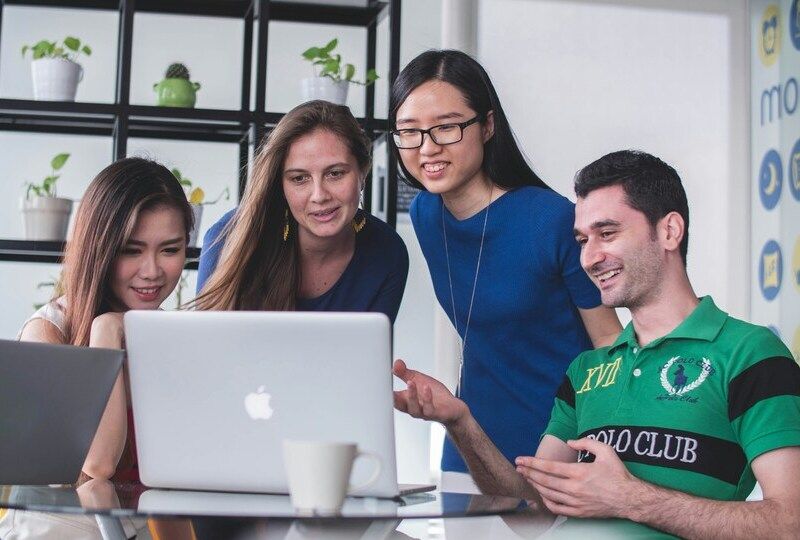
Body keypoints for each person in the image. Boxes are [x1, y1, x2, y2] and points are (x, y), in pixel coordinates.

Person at [393, 150, 800, 538]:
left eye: (607, 233)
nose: (589, 257)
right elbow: (531, 515)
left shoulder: (750, 353)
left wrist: (630, 499)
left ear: (669, 230)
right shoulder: (585, 370)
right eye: (583, 240)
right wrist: (460, 421)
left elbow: (790, 521)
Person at [389, 49, 621, 488]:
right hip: (470, 447)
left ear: (488, 125)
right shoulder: (425, 213)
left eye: (447, 127)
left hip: (560, 450)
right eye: (410, 132)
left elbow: (608, 343)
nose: (428, 148)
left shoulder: (551, 219)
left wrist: (598, 449)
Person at [18, 157, 193, 481]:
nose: (152, 271)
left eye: (170, 250)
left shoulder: (169, 337)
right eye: (131, 250)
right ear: (100, 249)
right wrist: (106, 332)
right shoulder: (48, 331)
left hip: (136, 529)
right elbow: (98, 464)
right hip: (59, 530)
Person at [194, 100, 408, 323]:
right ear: (281, 185)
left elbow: (368, 354)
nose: (319, 195)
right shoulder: (228, 237)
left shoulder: (388, 253)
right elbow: (207, 349)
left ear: (362, 172)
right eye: (299, 178)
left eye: (335, 173)